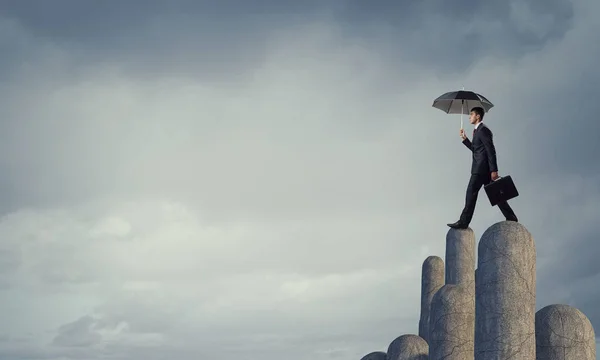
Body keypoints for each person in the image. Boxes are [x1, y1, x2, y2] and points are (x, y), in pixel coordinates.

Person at [447, 107, 518, 229]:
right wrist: (465, 139)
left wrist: (494, 170)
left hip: (481, 170)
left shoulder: (483, 130)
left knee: (471, 193)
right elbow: (477, 150)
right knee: (496, 193)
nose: (469, 117)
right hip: (483, 169)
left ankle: (463, 222)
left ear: (478, 116)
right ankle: (511, 217)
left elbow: (491, 150)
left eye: (471, 114)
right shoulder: (477, 131)